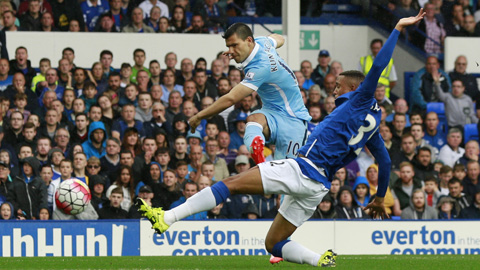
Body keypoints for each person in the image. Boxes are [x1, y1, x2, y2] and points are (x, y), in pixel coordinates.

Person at [137, 12, 424, 267]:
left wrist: (397, 28)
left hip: (302, 169)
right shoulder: (373, 125)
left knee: (230, 184)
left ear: (355, 87)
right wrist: (378, 196)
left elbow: (377, 68)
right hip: (318, 187)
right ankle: (320, 260)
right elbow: (384, 161)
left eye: (338, 86)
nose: (334, 91)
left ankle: (167, 218)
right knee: (272, 244)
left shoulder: (361, 98)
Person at [189, 23, 311, 164]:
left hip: (293, 121)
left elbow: (230, 98)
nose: (231, 51)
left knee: (287, 176)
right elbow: (279, 38)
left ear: (248, 41)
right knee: (253, 119)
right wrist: (268, 41)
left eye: (235, 45)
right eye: (229, 46)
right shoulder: (262, 42)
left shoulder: (260, 67)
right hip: (272, 112)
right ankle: (260, 161)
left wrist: (199, 116)